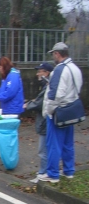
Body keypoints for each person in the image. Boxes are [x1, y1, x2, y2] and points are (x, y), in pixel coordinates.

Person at [39, 42, 83, 183]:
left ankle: (52, 174)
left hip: (58, 111)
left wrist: (48, 110)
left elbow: (55, 95)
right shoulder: (75, 68)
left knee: (53, 144)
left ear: (57, 54)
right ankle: (68, 171)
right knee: (67, 143)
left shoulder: (59, 69)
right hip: (70, 110)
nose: (53, 56)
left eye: (53, 54)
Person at [23, 62, 53, 183]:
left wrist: (27, 105)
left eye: (40, 71)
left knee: (43, 149)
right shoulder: (46, 85)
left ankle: (43, 172)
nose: (37, 74)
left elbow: (40, 103)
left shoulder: (48, 86)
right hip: (46, 120)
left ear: (46, 73)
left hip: (45, 121)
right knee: (46, 147)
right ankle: (45, 170)